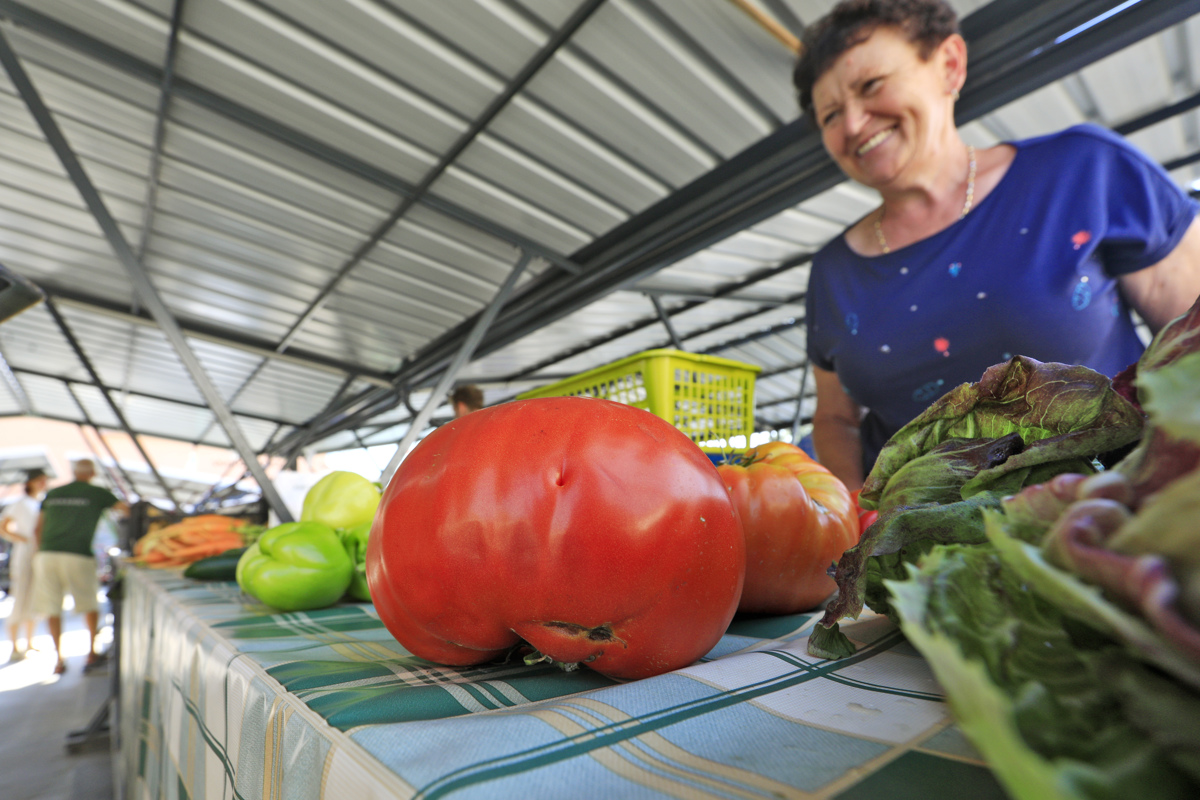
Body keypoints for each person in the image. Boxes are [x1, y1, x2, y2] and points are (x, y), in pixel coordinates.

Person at [794, 0, 1200, 489]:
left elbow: (1190, 342)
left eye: (871, 85)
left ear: (948, 65)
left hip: (1105, 519)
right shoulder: (833, 273)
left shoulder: (1083, 171)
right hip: (915, 553)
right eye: (831, 115)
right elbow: (835, 418)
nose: (854, 124)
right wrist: (847, 510)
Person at [32, 459, 127, 674]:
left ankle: (58, 660)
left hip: (46, 555)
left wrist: (41, 552)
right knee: (88, 604)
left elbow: (37, 528)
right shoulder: (97, 493)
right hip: (78, 554)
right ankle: (91, 654)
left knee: (51, 607)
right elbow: (126, 511)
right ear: (92, 473)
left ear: (74, 473)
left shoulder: (54, 494)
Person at [1, 468, 49, 661]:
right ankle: (14, 646)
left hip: (39, 553)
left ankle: (30, 642)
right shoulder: (20, 504)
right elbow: (4, 526)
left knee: (35, 599)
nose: (43, 484)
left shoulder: (40, 503)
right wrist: (21, 538)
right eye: (40, 481)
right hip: (25, 553)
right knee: (21, 597)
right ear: (30, 483)